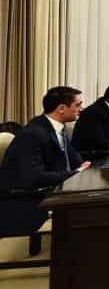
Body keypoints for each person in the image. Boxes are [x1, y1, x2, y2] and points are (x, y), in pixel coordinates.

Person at [0, 87, 91, 236]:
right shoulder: (33, 133)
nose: (82, 108)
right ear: (61, 109)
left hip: (53, 193)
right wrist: (75, 173)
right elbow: (34, 177)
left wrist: (82, 168)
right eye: (78, 105)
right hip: (27, 203)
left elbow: (74, 158)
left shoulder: (57, 127)